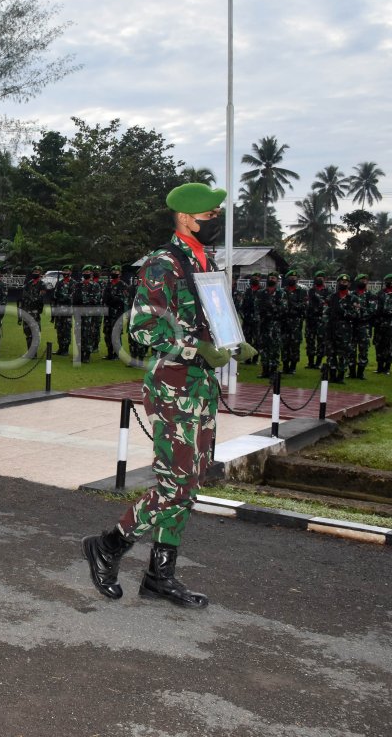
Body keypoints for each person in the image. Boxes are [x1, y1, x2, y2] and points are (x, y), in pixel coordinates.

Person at [82, 183, 256, 609]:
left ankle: (161, 575)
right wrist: (198, 350)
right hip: (175, 383)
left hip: (199, 386)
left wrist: (234, 342)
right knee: (175, 482)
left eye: (217, 216)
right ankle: (108, 545)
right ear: (184, 218)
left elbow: (209, 318)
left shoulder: (204, 260)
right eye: (209, 217)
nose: (215, 223)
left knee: (190, 481)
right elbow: (143, 328)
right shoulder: (163, 264)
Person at [323, 273, 359, 384]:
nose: (343, 283)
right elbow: (325, 312)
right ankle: (332, 375)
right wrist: (327, 323)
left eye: (345, 282)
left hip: (345, 330)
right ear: (338, 283)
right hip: (332, 328)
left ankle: (341, 375)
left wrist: (344, 313)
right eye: (341, 282)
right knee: (331, 353)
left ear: (349, 284)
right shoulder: (331, 297)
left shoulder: (353, 298)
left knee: (343, 353)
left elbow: (356, 314)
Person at [255, 272, 285, 379]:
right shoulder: (261, 293)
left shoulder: (281, 293)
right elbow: (257, 307)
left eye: (274, 278)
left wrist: (271, 306)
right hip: (263, 324)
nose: (272, 279)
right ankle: (265, 370)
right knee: (263, 347)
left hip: (275, 325)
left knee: (274, 348)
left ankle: (273, 370)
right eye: (270, 277)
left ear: (277, 281)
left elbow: (282, 309)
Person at [372, 273, 392, 375]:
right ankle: (379, 367)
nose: (389, 283)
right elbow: (375, 307)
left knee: (389, 345)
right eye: (388, 281)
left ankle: (387, 368)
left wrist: (384, 312)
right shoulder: (380, 293)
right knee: (378, 344)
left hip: (390, 324)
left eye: (391, 281)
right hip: (379, 324)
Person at [72, 264, 102, 363]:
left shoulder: (95, 285)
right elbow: (74, 297)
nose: (86, 274)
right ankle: (79, 354)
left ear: (91, 273)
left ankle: (87, 355)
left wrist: (83, 300)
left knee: (88, 334)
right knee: (78, 334)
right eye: (85, 272)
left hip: (89, 314)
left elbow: (96, 299)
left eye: (88, 272)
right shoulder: (78, 285)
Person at [280, 269, 307, 374]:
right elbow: (281, 306)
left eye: (294, 278)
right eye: (291, 278)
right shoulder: (282, 291)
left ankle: (293, 366)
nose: (293, 279)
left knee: (295, 344)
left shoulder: (302, 291)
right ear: (287, 279)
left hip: (296, 321)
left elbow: (304, 305)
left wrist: (292, 306)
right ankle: (285, 366)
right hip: (284, 321)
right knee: (285, 344)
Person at [102, 264, 130, 360]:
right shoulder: (108, 284)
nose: (114, 274)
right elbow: (104, 298)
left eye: (116, 272)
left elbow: (124, 300)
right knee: (107, 333)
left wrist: (113, 299)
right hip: (108, 313)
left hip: (118, 314)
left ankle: (117, 354)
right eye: (113, 272)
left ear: (120, 274)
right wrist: (112, 299)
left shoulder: (123, 285)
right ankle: (110, 353)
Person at [17, 265, 46, 358]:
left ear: (40, 273)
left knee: (34, 332)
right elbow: (23, 296)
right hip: (26, 311)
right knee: (27, 332)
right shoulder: (28, 283)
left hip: (35, 312)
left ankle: (34, 353)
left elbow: (41, 298)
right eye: (34, 272)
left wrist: (32, 300)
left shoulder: (42, 284)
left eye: (37, 272)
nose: (35, 273)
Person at [351, 273, 376, 380]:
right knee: (351, 349)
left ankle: (360, 373)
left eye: (366, 280)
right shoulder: (351, 295)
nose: (364, 282)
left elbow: (372, 311)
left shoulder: (371, 295)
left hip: (364, 326)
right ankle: (351, 372)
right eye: (361, 280)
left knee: (363, 350)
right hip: (351, 326)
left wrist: (359, 308)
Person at [305, 270, 329, 370]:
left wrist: (319, 301)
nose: (319, 279)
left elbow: (327, 304)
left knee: (321, 341)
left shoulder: (328, 291)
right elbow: (307, 303)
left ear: (325, 279)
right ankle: (310, 362)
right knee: (310, 341)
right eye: (318, 277)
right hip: (311, 319)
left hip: (322, 320)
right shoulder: (310, 291)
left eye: (321, 277)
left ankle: (318, 363)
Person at [240, 273, 263, 363]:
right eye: (253, 278)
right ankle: (247, 358)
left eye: (256, 278)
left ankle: (255, 358)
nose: (254, 279)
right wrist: (243, 315)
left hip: (257, 320)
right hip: (247, 319)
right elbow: (243, 305)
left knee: (257, 339)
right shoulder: (247, 291)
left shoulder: (262, 291)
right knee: (247, 339)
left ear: (259, 280)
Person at [51, 265, 74, 356]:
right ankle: (60, 348)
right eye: (64, 271)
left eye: (67, 271)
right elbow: (55, 295)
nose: (65, 273)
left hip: (68, 311)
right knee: (59, 330)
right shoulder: (59, 283)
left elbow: (72, 296)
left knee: (66, 330)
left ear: (70, 272)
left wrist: (63, 297)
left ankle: (66, 349)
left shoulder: (73, 283)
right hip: (59, 310)